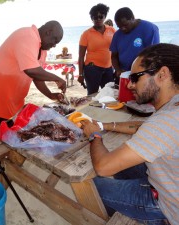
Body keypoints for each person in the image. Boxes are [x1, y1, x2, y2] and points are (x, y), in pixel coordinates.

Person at [81, 43, 179, 224]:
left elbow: (103, 166)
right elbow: (145, 127)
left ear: (162, 74)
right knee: (125, 161)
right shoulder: (173, 105)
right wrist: (104, 125)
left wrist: (95, 135)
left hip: (169, 206)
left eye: (135, 77)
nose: (130, 85)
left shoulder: (165, 122)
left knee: (90, 184)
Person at [0, 20, 67, 130]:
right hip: (2, 81)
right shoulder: (28, 36)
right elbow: (31, 70)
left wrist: (51, 95)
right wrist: (57, 79)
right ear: (48, 32)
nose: (55, 45)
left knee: (14, 120)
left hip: (14, 86)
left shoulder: (42, 49)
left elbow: (37, 76)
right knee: (2, 121)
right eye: (55, 40)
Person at [110, 7, 160, 84]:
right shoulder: (117, 35)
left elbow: (155, 55)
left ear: (132, 18)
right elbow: (114, 56)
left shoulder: (150, 29)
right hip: (124, 75)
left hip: (143, 75)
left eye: (125, 25)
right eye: (119, 27)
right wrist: (118, 70)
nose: (123, 29)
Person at [78, 3, 115, 95]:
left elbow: (117, 49)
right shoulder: (86, 34)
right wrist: (80, 74)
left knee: (109, 94)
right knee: (92, 95)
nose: (98, 19)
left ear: (105, 16)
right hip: (92, 69)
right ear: (92, 18)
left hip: (109, 68)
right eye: (95, 17)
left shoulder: (112, 30)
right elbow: (81, 56)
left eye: (101, 16)